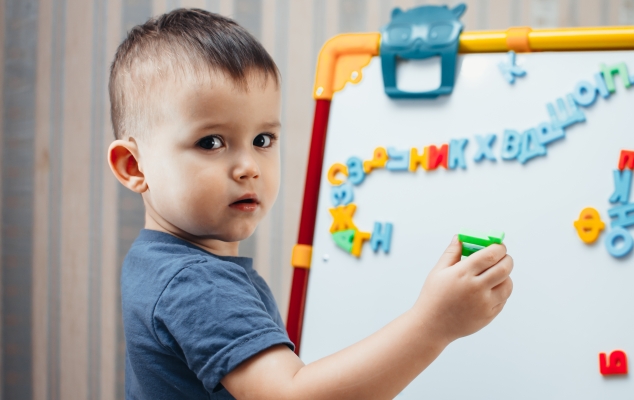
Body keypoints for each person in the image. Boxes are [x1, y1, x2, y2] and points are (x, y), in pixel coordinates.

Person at [107, 8, 514, 400]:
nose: (249, 167)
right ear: (134, 166)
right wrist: (434, 324)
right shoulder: (197, 284)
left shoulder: (155, 259)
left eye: (263, 140)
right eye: (210, 142)